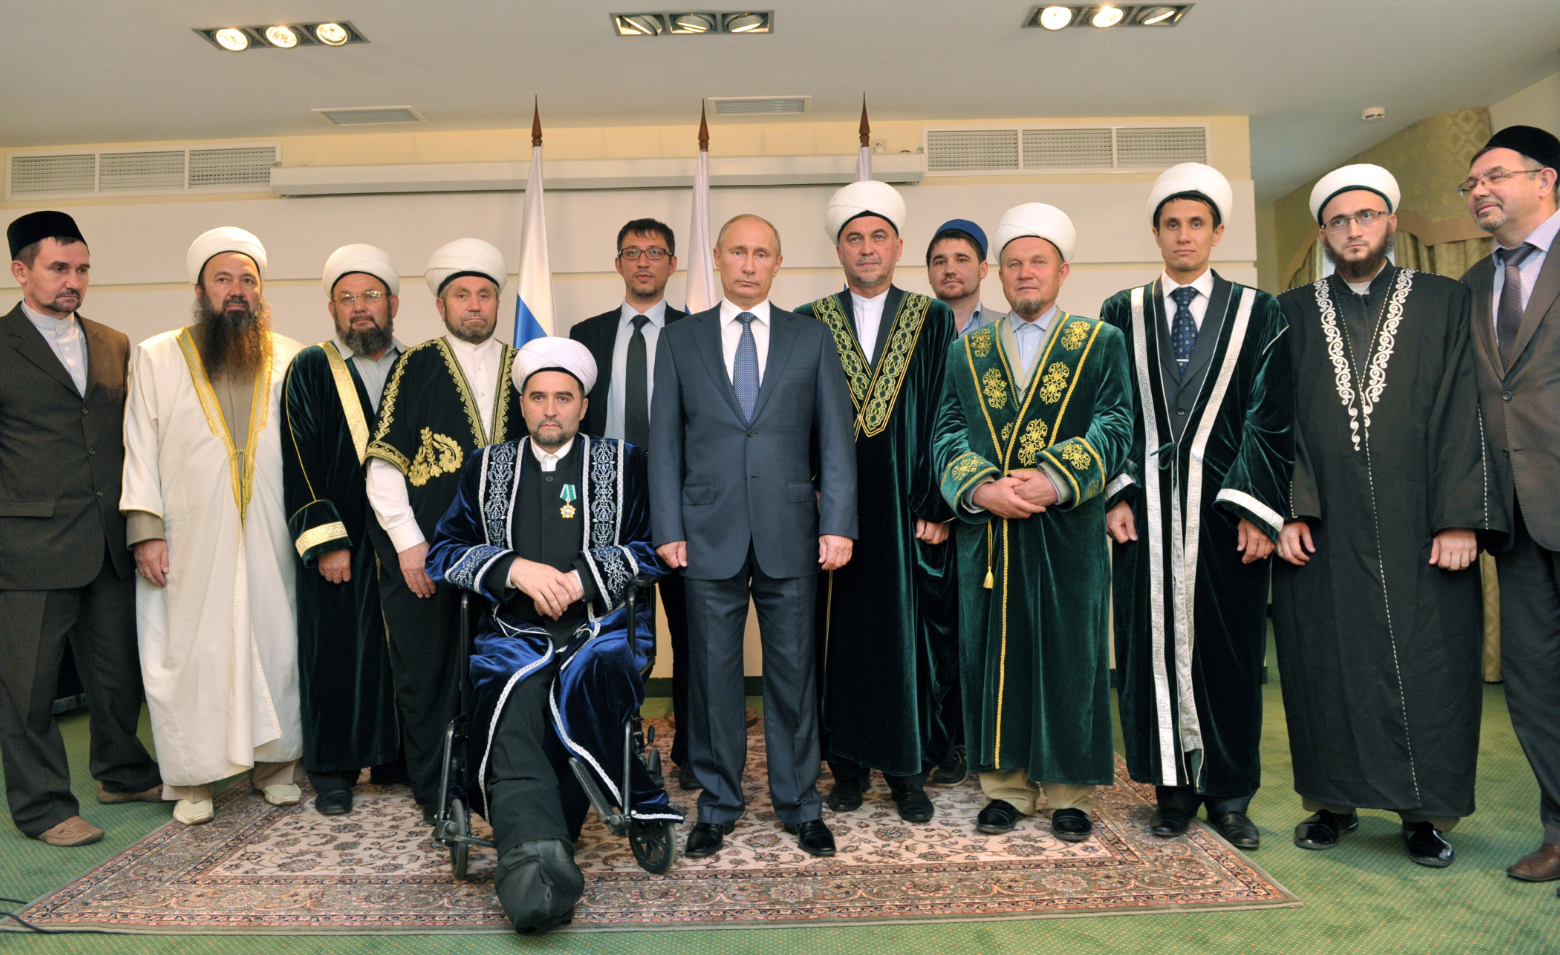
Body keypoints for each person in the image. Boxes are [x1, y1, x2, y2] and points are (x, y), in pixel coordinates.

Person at [1272, 163, 1492, 868]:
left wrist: (1459, 517)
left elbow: (1468, 406)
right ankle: (1333, 803)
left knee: (1430, 668)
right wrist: (1293, 506)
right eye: (1339, 220)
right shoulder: (1292, 312)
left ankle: (1424, 814)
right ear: (1325, 233)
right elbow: (1278, 421)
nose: (1354, 230)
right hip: (1324, 525)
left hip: (1422, 522)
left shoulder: (1444, 301)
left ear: (1391, 221)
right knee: (1325, 665)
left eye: (1367, 216)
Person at [427, 337, 676, 935]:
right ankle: (537, 861)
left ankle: (542, 846)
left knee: (586, 685)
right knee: (510, 701)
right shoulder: (486, 466)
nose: (550, 410)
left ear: (583, 405)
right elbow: (444, 552)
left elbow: (655, 549)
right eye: (538, 397)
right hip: (511, 632)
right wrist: (515, 569)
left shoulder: (625, 462)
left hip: (602, 629)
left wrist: (582, 578)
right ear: (522, 402)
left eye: (563, 398)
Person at [649, 213, 858, 859]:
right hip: (705, 531)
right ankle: (717, 804)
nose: (747, 263)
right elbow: (663, 442)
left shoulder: (811, 338)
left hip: (790, 530)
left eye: (760, 253)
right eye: (736, 251)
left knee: (793, 674)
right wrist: (668, 527)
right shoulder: (680, 340)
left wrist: (838, 522)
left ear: (777, 262)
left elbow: (835, 438)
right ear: (716, 257)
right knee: (711, 677)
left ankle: (800, 804)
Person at [1101, 162, 1293, 851]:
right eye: (1172, 224)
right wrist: (1116, 495)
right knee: (1149, 648)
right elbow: (1112, 410)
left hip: (1224, 512)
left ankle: (1231, 794)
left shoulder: (1258, 310)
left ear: (1217, 232)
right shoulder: (1122, 311)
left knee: (1230, 651)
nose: (1184, 236)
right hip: (1146, 512)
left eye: (1196, 224)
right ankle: (1172, 792)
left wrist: (1254, 507)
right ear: (1156, 233)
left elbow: (1271, 418)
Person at [932, 203, 1133, 842]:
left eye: (1037, 262)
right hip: (988, 536)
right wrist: (980, 488)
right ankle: (1007, 789)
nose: (1025, 274)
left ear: (1062, 270)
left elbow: (1117, 424)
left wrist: (1054, 478)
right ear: (999, 273)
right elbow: (945, 432)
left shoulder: (1100, 341)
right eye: (1014, 263)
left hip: (1067, 528)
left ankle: (1070, 791)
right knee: (993, 656)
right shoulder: (968, 351)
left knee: (1071, 656)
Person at [122, 227, 303, 826]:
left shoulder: (290, 356)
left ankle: (275, 766)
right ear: (199, 288)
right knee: (190, 649)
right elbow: (139, 445)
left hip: (272, 530)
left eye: (247, 280)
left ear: (261, 290)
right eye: (222, 279)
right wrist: (145, 527)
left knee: (275, 640)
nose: (236, 291)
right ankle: (192, 776)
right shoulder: (155, 355)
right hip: (188, 533)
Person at [794, 182, 958, 821]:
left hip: (908, 510)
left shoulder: (932, 316)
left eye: (878, 236)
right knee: (838, 642)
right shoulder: (807, 320)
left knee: (908, 639)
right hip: (829, 512)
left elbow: (950, 414)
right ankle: (848, 768)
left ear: (898, 245)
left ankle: (909, 772)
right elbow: (795, 418)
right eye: (854, 238)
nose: (867, 249)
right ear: (838, 248)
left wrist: (939, 502)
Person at [0, 212, 161, 847]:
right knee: (28, 689)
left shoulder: (115, 341)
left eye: (82, 268)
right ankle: (42, 808)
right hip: (27, 548)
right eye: (58, 268)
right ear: (21, 271)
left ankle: (122, 772)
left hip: (108, 542)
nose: (73, 280)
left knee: (119, 676)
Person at [365, 238, 522, 822]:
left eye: (484, 294)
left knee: (501, 670)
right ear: (441, 305)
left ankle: (499, 782)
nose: (474, 305)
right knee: (429, 673)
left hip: (508, 558)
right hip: (434, 553)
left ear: (498, 303)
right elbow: (384, 466)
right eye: (462, 295)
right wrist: (409, 544)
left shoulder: (525, 364)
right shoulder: (415, 364)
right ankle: (437, 791)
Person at [1460, 125, 1560, 887]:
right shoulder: (1471, 283)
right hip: (1518, 522)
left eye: (1493, 175)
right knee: (1533, 680)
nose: (1479, 190)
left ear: (1545, 179)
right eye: (1471, 184)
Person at [569, 218, 695, 791]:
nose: (644, 262)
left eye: (656, 253)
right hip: (607, 511)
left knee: (696, 633)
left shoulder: (701, 333)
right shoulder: (584, 334)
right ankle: (608, 747)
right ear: (617, 263)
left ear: (673, 264)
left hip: (688, 508)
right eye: (632, 252)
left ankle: (694, 749)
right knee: (609, 634)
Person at [281, 244, 407, 815]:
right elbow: (299, 457)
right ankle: (333, 768)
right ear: (332, 307)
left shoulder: (420, 363)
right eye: (348, 298)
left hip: (409, 537)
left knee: (401, 649)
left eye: (371, 296)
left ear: (394, 303)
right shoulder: (311, 366)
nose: (360, 308)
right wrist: (327, 540)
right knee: (335, 651)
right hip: (343, 537)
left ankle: (394, 757)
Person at [927, 219, 1004, 336]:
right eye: (941, 262)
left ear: (983, 269)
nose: (950, 270)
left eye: (961, 260)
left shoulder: (1005, 328)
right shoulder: (910, 331)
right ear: (929, 273)